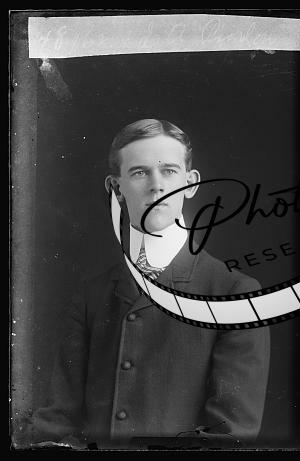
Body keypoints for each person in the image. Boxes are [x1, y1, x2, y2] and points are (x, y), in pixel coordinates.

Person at [27, 119, 270, 447]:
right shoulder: (92, 294)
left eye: (169, 171)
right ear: (116, 188)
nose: (157, 186)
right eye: (140, 172)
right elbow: (56, 422)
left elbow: (229, 436)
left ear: (190, 183)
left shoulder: (234, 295)